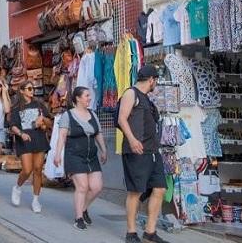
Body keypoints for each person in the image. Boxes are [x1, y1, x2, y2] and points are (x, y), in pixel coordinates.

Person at [118, 65, 168, 243]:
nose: (156, 84)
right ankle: (131, 232)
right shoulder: (131, 93)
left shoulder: (146, 98)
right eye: (156, 80)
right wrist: (131, 140)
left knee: (160, 188)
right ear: (151, 80)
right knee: (135, 191)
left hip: (152, 151)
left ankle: (150, 231)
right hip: (136, 150)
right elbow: (122, 118)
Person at [53, 86, 107, 230]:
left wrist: (104, 150)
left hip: (91, 156)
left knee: (96, 187)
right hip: (74, 155)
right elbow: (62, 136)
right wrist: (57, 154)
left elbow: (98, 133)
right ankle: (78, 218)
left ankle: (83, 209)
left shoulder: (93, 114)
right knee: (82, 186)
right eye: (87, 96)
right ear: (78, 98)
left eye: (89, 96)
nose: (89, 98)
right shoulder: (68, 116)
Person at [9, 80, 53, 213]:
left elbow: (49, 122)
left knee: (38, 169)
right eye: (28, 88)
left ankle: (36, 199)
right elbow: (13, 126)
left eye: (32, 88)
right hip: (25, 140)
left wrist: (43, 121)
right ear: (21, 91)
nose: (31, 90)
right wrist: (21, 134)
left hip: (39, 139)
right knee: (27, 170)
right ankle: (17, 187)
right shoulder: (16, 108)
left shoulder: (39, 104)